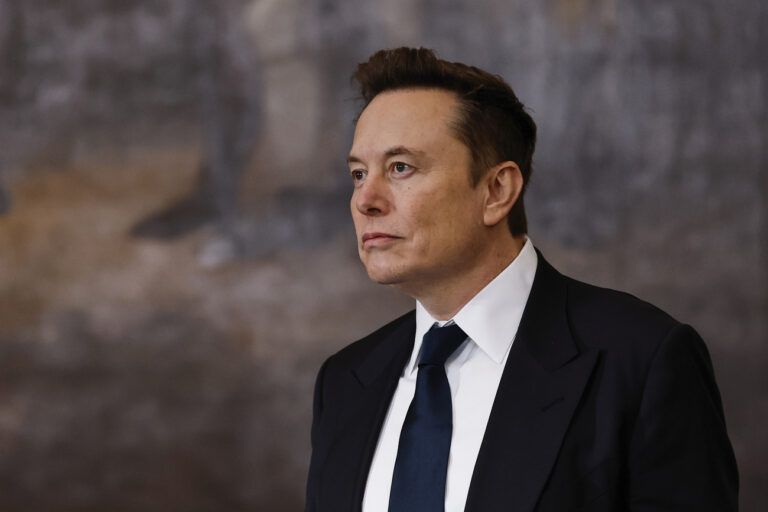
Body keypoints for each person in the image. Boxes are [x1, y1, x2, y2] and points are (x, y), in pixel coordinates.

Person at [305, 47, 738, 512]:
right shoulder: (345, 381)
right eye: (357, 173)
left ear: (496, 191)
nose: (364, 200)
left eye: (400, 168)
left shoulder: (642, 360)